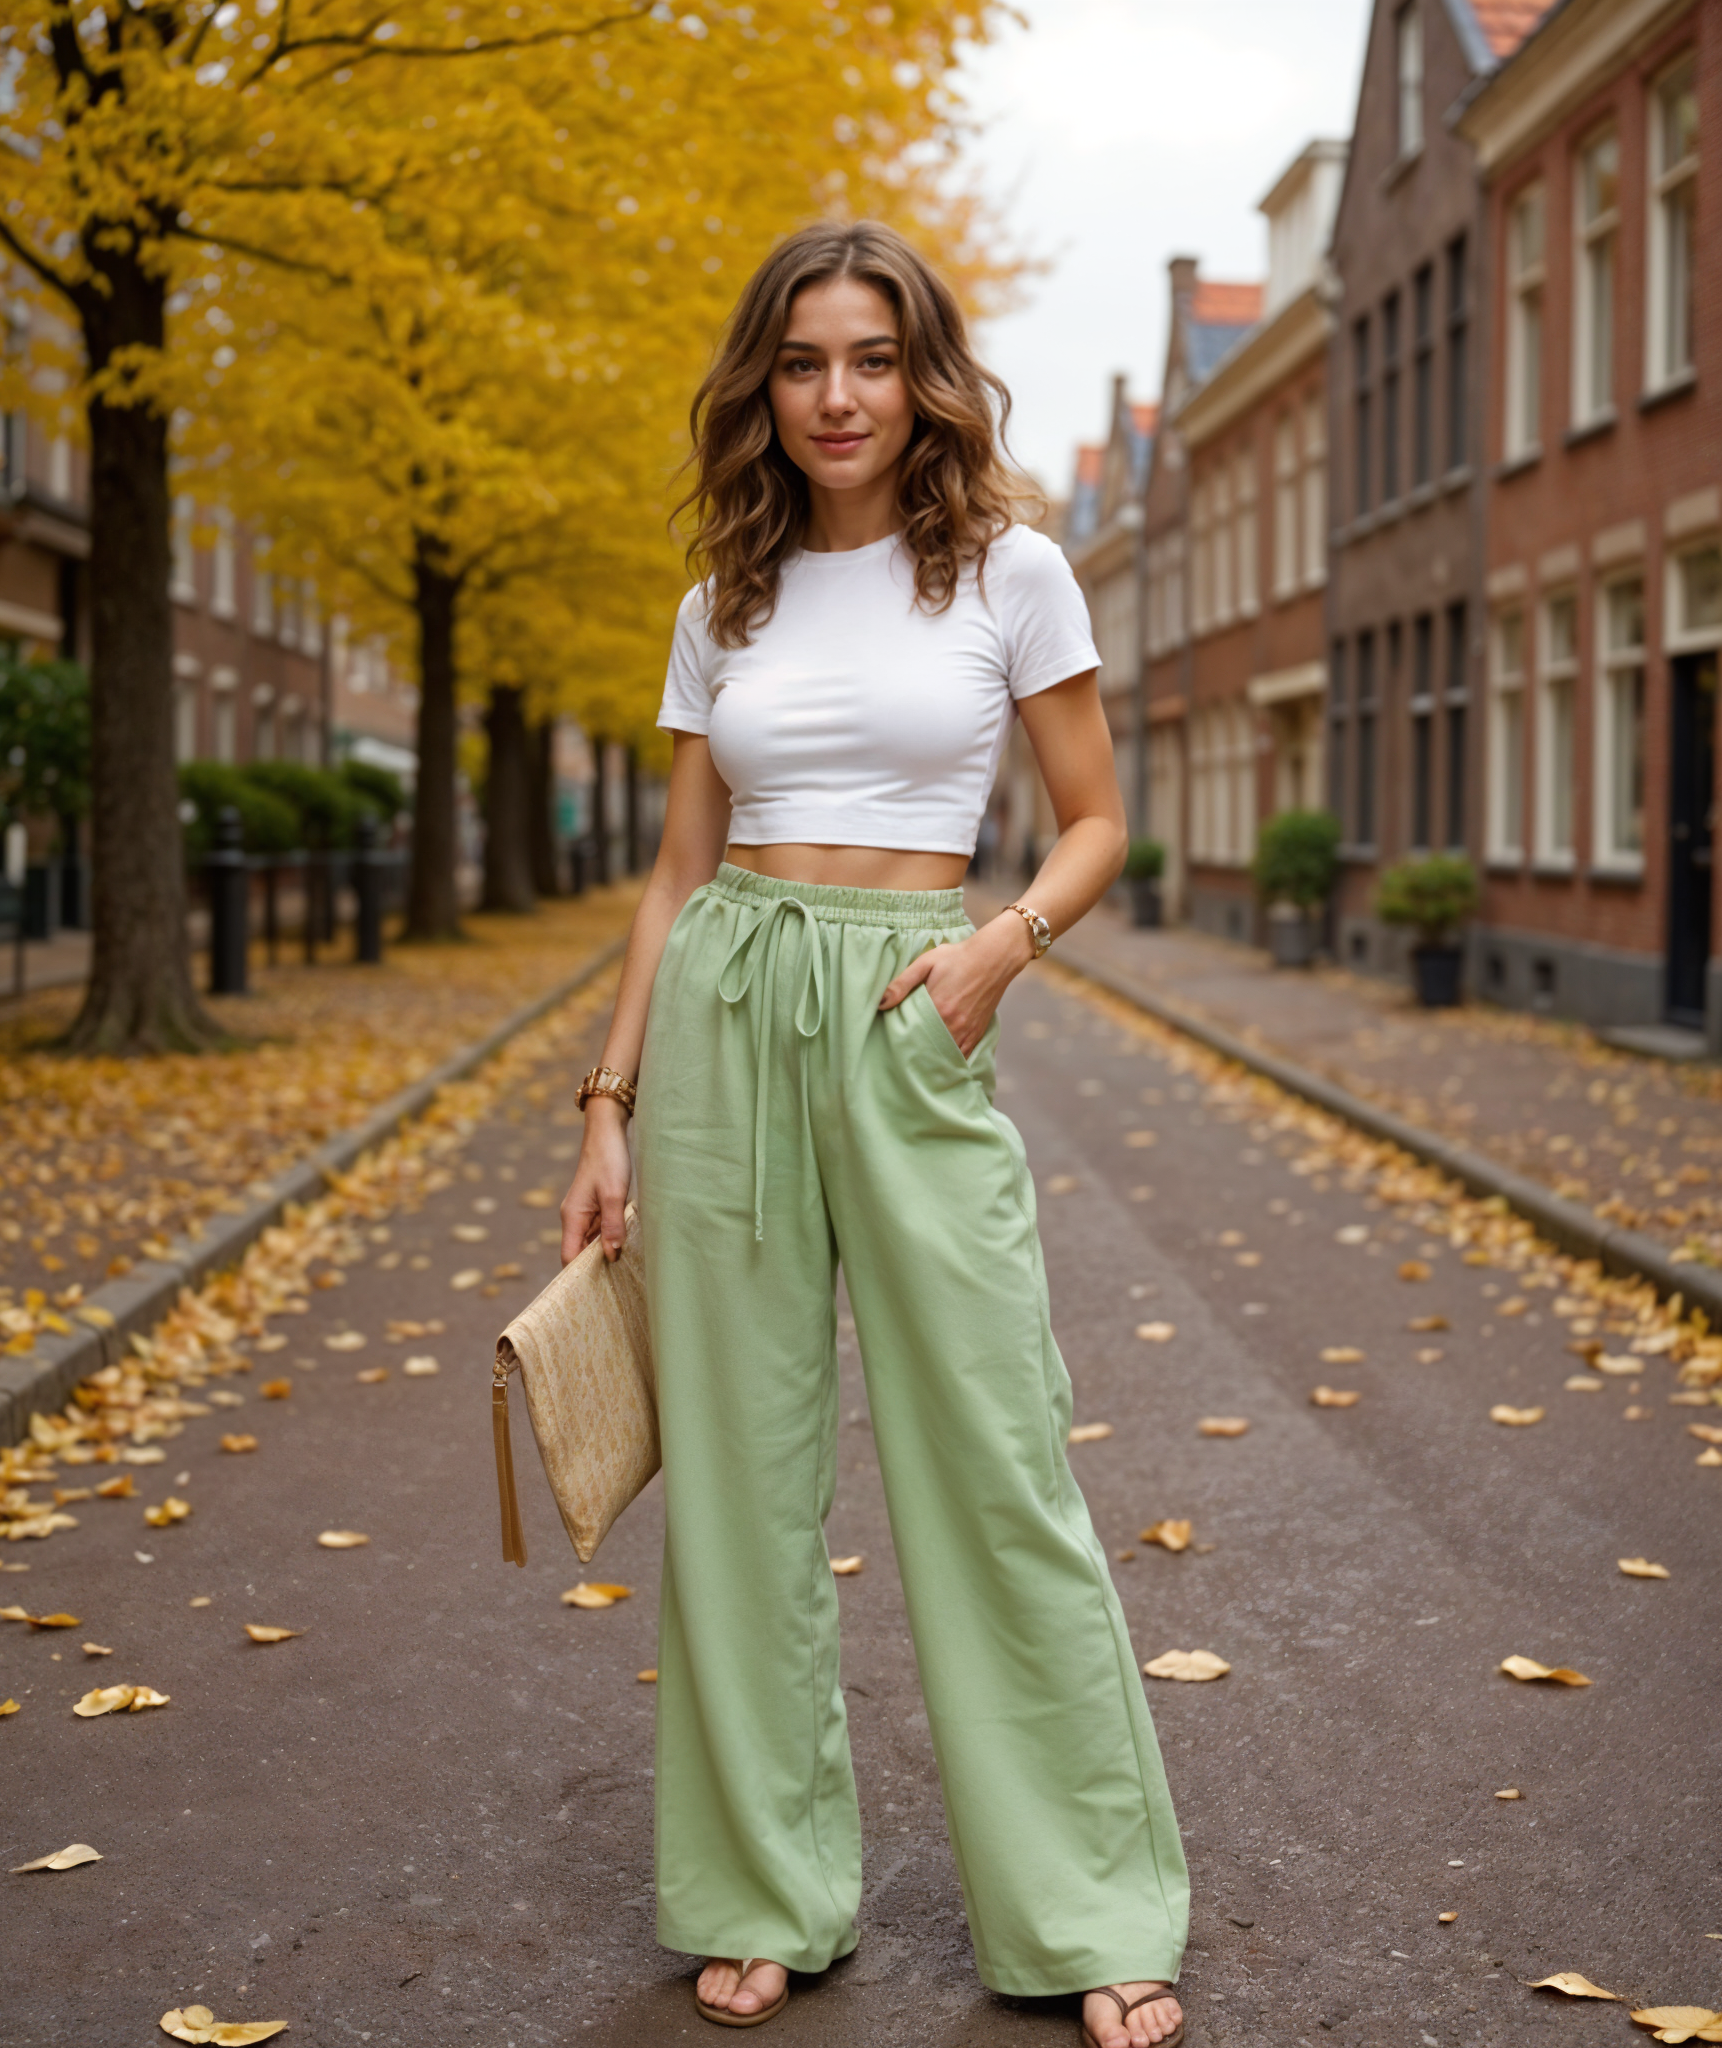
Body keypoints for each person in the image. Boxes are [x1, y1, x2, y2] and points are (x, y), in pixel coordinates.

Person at [559, 219, 1189, 2048]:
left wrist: (1002, 945)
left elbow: (1096, 819)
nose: (838, 395)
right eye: (802, 361)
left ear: (926, 379)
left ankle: (1090, 1908)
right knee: (740, 1482)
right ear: (762, 385)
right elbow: (675, 874)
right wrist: (607, 1106)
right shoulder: (724, 601)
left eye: (873, 358)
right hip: (726, 1009)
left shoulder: (1012, 572)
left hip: (916, 1002)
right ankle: (762, 1889)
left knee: (996, 1458)